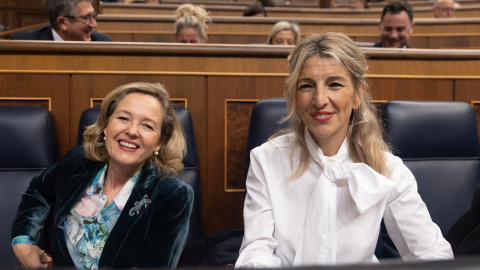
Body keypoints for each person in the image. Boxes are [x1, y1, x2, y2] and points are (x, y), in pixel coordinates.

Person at [234, 32, 453, 268]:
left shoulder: (388, 169)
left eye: (334, 84)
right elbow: (257, 247)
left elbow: (430, 252)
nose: (320, 99)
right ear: (295, 98)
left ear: (358, 94)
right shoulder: (265, 159)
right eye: (306, 86)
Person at [11, 82, 193, 269]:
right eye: (123, 118)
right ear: (106, 125)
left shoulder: (172, 194)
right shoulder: (76, 162)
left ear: (159, 143)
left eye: (147, 125)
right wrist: (23, 240)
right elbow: (39, 190)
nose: (131, 131)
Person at [9, 0, 111, 42]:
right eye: (86, 18)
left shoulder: (103, 42)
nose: (94, 24)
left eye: (93, 15)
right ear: (62, 23)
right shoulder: (23, 43)